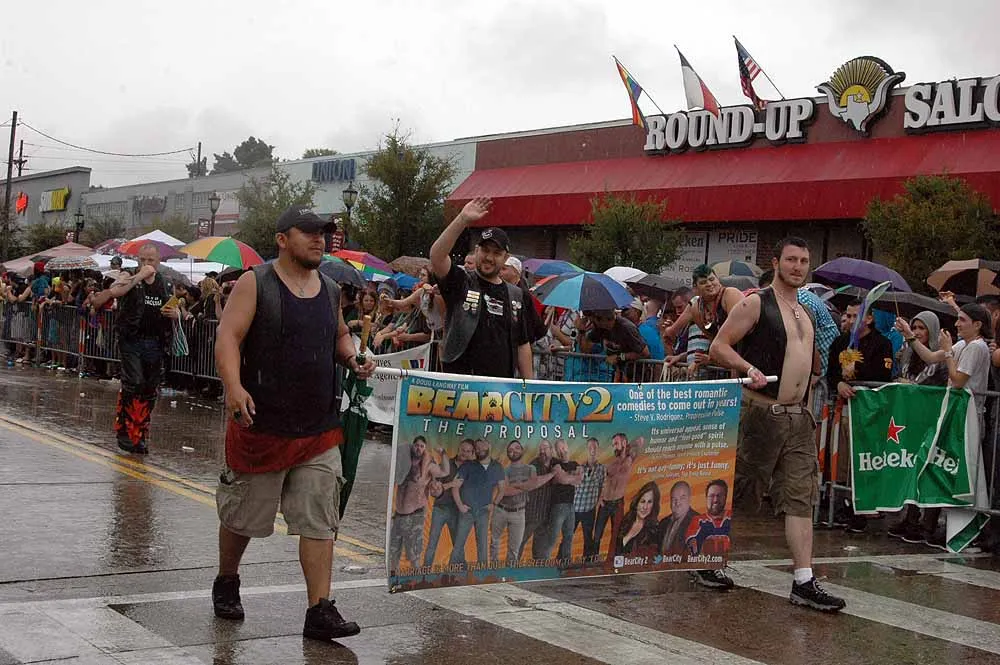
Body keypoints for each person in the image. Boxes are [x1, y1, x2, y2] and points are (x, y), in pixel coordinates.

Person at [210, 204, 375, 642]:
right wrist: (233, 387)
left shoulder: (330, 289)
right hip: (261, 426)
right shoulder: (255, 283)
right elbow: (228, 337)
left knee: (320, 519)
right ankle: (227, 579)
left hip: (318, 430)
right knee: (242, 518)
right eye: (309, 232)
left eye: (323, 233)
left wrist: (352, 357)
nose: (320, 239)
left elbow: (339, 335)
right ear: (282, 240)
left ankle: (319, 609)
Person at [710, 236, 846, 612]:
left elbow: (812, 363)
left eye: (803, 261)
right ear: (775, 263)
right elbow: (719, 346)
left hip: (798, 417)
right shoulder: (756, 303)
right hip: (761, 414)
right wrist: (748, 368)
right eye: (791, 260)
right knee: (741, 492)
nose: (797, 267)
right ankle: (706, 556)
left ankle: (803, 580)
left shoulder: (806, 311)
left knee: (801, 498)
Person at [895, 303, 994, 549]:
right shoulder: (962, 345)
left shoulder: (977, 347)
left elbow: (958, 380)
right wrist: (909, 336)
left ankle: (965, 525)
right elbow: (930, 357)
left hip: (969, 416)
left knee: (964, 470)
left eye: (962, 320)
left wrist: (949, 352)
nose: (957, 324)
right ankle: (949, 525)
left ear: (977, 325)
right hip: (956, 414)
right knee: (946, 466)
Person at [429, 198, 532, 378]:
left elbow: (522, 344)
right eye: (485, 250)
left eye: (496, 253)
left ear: (505, 257)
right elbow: (437, 256)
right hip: (461, 385)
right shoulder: (461, 281)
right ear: (477, 251)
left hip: (500, 388)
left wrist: (528, 386)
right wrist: (462, 219)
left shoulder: (515, 294)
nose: (489, 258)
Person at [90, 244, 176, 454]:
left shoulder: (165, 283)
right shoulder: (128, 276)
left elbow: (176, 309)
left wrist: (176, 314)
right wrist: (140, 276)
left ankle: (140, 434)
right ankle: (125, 431)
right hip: (131, 339)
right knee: (134, 383)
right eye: (143, 260)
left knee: (149, 388)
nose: (147, 264)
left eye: (151, 260)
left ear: (158, 261)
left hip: (155, 341)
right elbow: (117, 290)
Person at [826, 299, 894, 533]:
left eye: (857, 316)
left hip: (868, 411)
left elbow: (883, 377)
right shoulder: (840, 342)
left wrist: (856, 368)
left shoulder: (882, 343)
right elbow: (831, 372)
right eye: (849, 315)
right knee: (841, 459)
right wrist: (839, 383)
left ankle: (863, 508)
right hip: (843, 409)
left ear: (869, 318)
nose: (851, 320)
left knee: (863, 459)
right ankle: (839, 503)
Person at [886, 311, 946, 544]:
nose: (918, 332)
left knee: (929, 469)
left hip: (931, 418)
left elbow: (924, 381)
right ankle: (910, 517)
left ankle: (928, 523)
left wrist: (908, 384)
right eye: (915, 327)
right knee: (911, 466)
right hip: (910, 418)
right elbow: (901, 377)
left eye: (923, 328)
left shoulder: (939, 355)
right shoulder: (908, 354)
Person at [389, 436, 450, 572]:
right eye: (417, 445)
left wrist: (443, 453)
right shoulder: (404, 461)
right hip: (399, 514)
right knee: (394, 550)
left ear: (425, 448)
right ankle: (393, 576)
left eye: (422, 446)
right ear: (413, 446)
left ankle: (416, 577)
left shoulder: (427, 466)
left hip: (415, 514)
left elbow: (445, 471)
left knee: (414, 553)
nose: (418, 448)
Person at [450, 438, 507, 565]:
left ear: (489, 447)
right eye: (477, 448)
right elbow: (455, 487)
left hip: (483, 513)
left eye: (483, 447)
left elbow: (502, 488)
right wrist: (460, 506)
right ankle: (451, 572)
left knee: (482, 546)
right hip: (467, 512)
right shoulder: (467, 466)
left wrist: (494, 504)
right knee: (458, 545)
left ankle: (483, 573)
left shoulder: (497, 467)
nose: (480, 450)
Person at [423, 439, 475, 567]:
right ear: (459, 449)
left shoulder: (472, 469)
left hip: (457, 511)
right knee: (432, 543)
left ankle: (462, 571)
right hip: (440, 508)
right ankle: (425, 571)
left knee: (458, 544)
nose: (464, 453)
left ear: (472, 453)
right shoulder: (446, 464)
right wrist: (452, 484)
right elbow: (435, 490)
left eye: (468, 451)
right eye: (463, 450)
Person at [664, 265, 743, 345]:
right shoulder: (696, 307)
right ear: (695, 287)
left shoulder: (730, 294)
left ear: (718, 280)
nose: (709, 284)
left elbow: (739, 329)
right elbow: (712, 338)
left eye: (712, 279)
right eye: (703, 282)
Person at [594, 434, 643, 554]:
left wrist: (628, 451)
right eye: (613, 445)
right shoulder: (613, 463)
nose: (614, 447)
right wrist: (599, 498)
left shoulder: (630, 459)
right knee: (597, 535)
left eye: (616, 444)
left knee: (617, 535)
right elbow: (602, 479)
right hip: (604, 503)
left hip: (617, 503)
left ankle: (613, 560)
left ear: (624, 443)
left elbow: (640, 440)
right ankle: (591, 560)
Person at [491, 440, 536, 563]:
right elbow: (505, 491)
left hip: (519, 513)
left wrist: (514, 486)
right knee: (494, 543)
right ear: (507, 454)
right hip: (500, 511)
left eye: (516, 448)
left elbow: (533, 485)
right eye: (510, 450)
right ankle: (493, 571)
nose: (513, 451)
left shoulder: (530, 468)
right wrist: (524, 486)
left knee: (514, 550)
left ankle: (509, 572)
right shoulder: (503, 470)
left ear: (522, 450)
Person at [579, 309, 650, 381]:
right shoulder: (600, 328)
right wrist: (582, 331)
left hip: (636, 376)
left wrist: (619, 357)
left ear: (605, 319)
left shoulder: (627, 328)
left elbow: (645, 353)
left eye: (597, 318)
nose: (593, 321)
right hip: (618, 373)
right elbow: (586, 350)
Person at [547, 439, 583, 560]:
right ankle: (544, 562)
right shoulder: (555, 463)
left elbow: (579, 480)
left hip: (571, 506)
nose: (562, 451)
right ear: (556, 451)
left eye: (563, 448)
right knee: (552, 537)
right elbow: (562, 479)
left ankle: (566, 562)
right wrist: (571, 476)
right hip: (558, 506)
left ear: (567, 447)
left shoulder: (575, 464)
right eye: (559, 449)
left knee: (569, 536)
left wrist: (567, 476)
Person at [573, 437, 606, 559]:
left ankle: (586, 563)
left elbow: (602, 486)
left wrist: (599, 499)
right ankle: (561, 561)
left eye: (595, 447)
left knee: (588, 538)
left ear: (598, 449)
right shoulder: (579, 468)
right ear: (587, 449)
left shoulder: (602, 469)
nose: (592, 449)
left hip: (589, 510)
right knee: (568, 536)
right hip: (575, 509)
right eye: (590, 447)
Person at [685, 479, 733, 558]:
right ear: (706, 498)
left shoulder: (731, 516)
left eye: (719, 496)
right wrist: (693, 543)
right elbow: (691, 542)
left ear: (726, 497)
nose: (715, 500)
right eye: (711, 496)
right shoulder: (698, 520)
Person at [615, 481, 661, 555]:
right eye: (643, 501)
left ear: (653, 505)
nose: (645, 507)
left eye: (649, 502)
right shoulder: (626, 521)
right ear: (637, 502)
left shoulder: (654, 530)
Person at [658, 481, 699, 556]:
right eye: (674, 498)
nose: (677, 503)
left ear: (690, 499)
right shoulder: (663, 523)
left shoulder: (698, 522)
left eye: (682, 498)